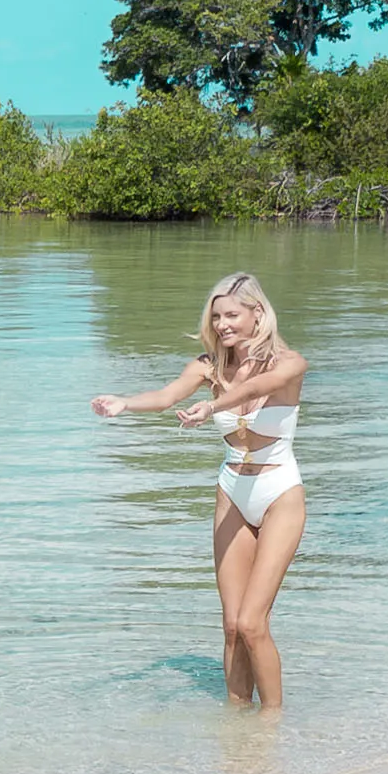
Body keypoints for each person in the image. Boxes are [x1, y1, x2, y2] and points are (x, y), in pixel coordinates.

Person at [91, 270, 309, 711]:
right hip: (232, 490)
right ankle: (235, 727)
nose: (223, 324)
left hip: (279, 492)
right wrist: (125, 403)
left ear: (257, 313)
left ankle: (270, 725)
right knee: (230, 625)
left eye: (232, 314)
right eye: (217, 317)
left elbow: (255, 388)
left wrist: (211, 405)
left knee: (252, 622)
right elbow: (167, 395)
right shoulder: (207, 366)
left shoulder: (289, 363)